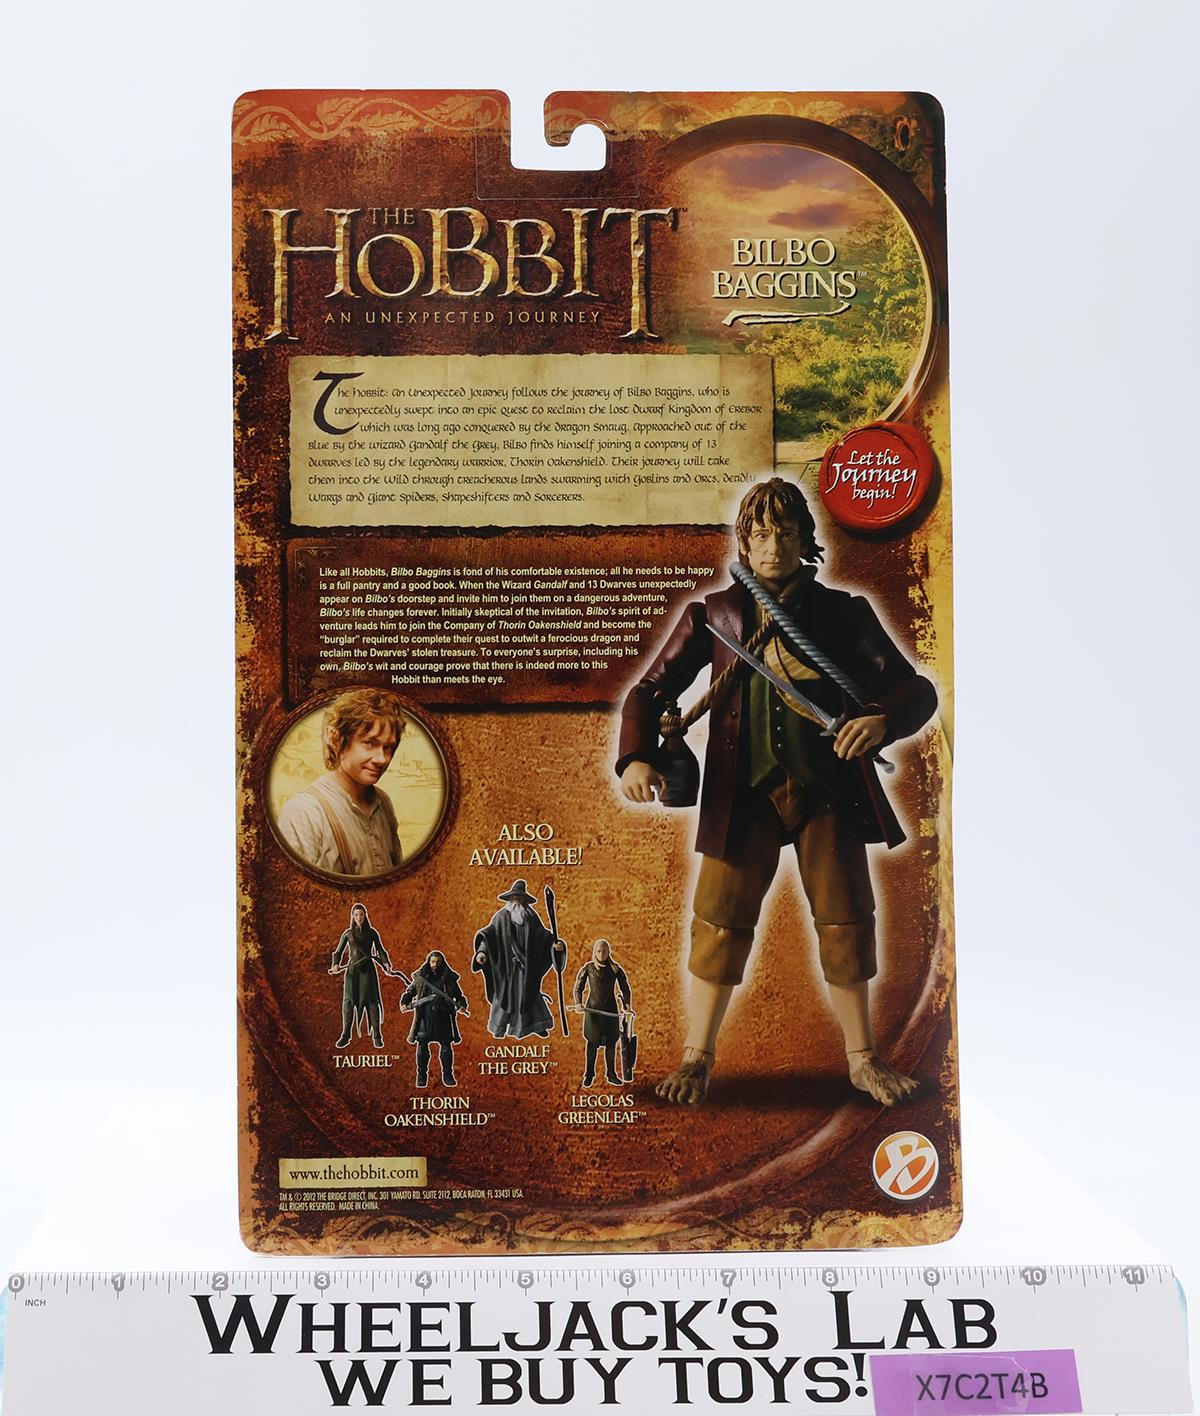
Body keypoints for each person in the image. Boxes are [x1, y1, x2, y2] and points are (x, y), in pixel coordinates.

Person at [616, 477, 937, 1107]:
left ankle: (862, 1059)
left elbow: (915, 691)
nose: (772, 546)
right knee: (718, 922)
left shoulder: (844, 614)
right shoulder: (713, 617)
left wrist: (882, 720)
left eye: (786, 532)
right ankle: (697, 1057)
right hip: (744, 795)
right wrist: (635, 756)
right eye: (760, 534)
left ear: (805, 538)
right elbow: (650, 690)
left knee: (847, 921)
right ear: (743, 541)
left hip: (828, 791)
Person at [278, 688, 407, 877]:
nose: (381, 759)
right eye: (369, 743)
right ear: (336, 739)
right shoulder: (303, 812)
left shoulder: (383, 802)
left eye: (388, 747)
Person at [472, 881, 566, 1039]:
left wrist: (556, 945)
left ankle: (535, 1025)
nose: (517, 900)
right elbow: (489, 935)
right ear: (510, 899)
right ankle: (499, 1027)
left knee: (530, 997)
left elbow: (543, 937)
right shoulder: (500, 917)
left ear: (525, 900)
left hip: (527, 969)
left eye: (520, 898)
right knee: (504, 998)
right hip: (506, 969)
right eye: (515, 897)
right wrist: (482, 952)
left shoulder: (531, 917)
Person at [329, 902, 394, 1048]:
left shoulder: (372, 933)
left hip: (368, 970)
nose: (359, 917)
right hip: (352, 971)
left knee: (372, 1001)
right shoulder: (348, 934)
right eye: (356, 915)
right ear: (353, 916)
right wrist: (335, 964)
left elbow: (380, 949)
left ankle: (377, 1035)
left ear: (365, 916)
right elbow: (338, 952)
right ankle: (346, 1035)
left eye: (361, 915)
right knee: (348, 1002)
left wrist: (386, 963)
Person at [401, 951, 469, 1088]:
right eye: (432, 961)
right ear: (428, 962)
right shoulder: (421, 978)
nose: (435, 964)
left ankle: (448, 1075)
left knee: (446, 1048)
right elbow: (410, 991)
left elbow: (459, 996)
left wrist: (462, 1005)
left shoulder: (449, 980)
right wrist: (404, 1002)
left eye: (437, 962)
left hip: (443, 1017)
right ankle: (421, 1076)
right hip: (424, 1017)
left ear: (442, 963)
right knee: (422, 1048)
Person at [571, 939, 633, 1087]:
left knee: (611, 1044)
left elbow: (625, 988)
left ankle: (611, 1074)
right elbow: (578, 988)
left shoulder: (615, 969)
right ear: (595, 952)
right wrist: (578, 1003)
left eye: (604, 951)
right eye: (599, 951)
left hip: (610, 1010)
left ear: (608, 952)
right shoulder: (588, 968)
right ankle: (589, 1074)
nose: (601, 954)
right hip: (592, 1013)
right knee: (592, 1044)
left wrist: (627, 1005)